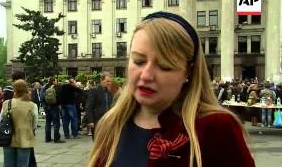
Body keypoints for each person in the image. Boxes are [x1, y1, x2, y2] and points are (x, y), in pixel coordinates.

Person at [88, 11, 255, 167]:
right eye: (139, 61)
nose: (146, 75)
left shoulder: (216, 128)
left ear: (188, 72)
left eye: (164, 66)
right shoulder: (109, 124)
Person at [0, 79, 38, 167]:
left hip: (8, 137)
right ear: (26, 89)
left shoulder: (7, 103)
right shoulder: (32, 105)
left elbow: (1, 120)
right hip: (25, 137)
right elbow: (35, 123)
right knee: (23, 164)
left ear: (14, 90)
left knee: (8, 164)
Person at [85, 72, 113, 137]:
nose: (109, 83)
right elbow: (89, 107)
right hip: (97, 121)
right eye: (107, 81)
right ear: (101, 80)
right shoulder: (94, 91)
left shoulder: (109, 92)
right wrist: (90, 121)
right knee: (98, 142)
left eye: (110, 81)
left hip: (108, 121)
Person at [42, 77, 65, 143]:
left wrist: (45, 105)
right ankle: (56, 138)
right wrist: (60, 104)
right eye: (56, 81)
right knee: (56, 123)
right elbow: (60, 97)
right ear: (53, 81)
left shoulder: (45, 87)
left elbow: (42, 97)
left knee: (48, 122)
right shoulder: (57, 87)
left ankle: (47, 138)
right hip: (54, 107)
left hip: (47, 107)